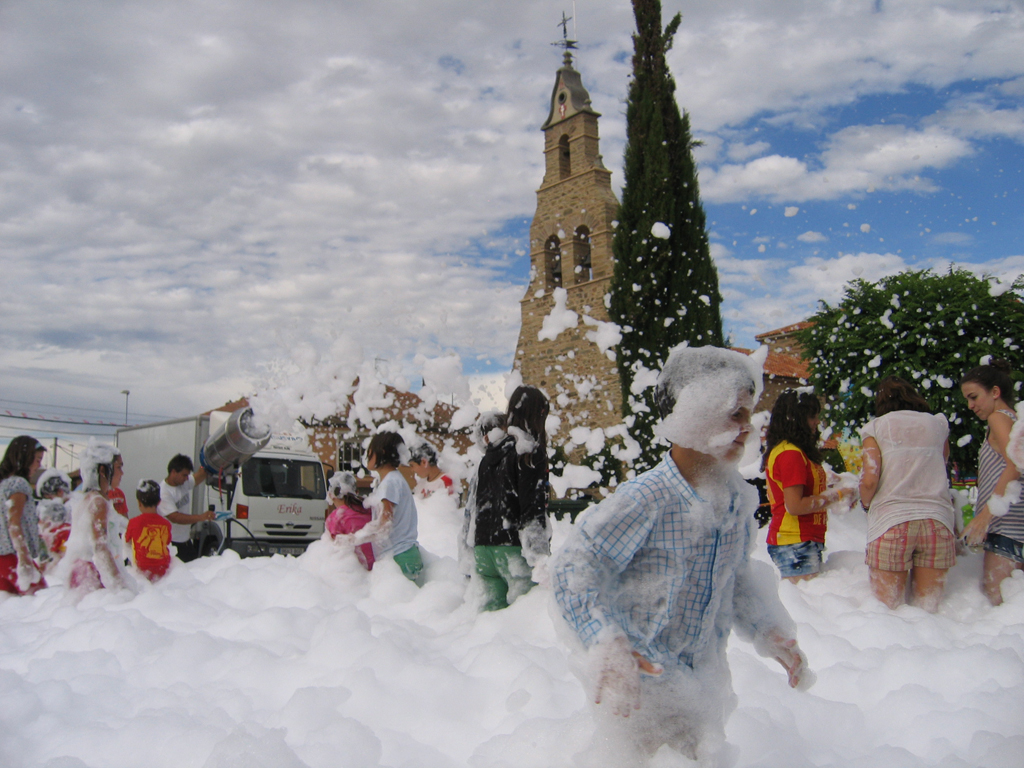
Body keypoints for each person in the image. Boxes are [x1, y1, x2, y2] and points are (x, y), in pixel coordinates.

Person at [552, 346, 812, 764]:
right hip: (640, 682)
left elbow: (733, 577)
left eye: (749, 415)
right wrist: (604, 641)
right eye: (736, 414)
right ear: (694, 414)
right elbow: (573, 568)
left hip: (700, 682)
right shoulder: (647, 498)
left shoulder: (734, 499)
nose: (748, 427)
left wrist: (767, 629)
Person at [858, 377, 957, 611]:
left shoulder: (876, 427)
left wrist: (865, 504)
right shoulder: (938, 425)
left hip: (891, 521)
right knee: (928, 610)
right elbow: (942, 463)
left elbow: (870, 479)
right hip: (938, 521)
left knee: (887, 611)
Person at [472, 386, 550, 611]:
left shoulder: (489, 456)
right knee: (524, 620)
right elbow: (532, 509)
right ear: (539, 414)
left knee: (488, 622)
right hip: (513, 550)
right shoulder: (528, 451)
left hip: (483, 548)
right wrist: (540, 559)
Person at [763, 390, 851, 582]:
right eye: (812, 416)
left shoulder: (793, 451)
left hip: (799, 542)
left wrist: (830, 483)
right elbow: (795, 506)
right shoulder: (791, 454)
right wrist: (837, 495)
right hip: (795, 543)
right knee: (802, 599)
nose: (817, 422)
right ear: (796, 419)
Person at [960, 360, 1024, 605]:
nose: (970, 405)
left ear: (995, 392)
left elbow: (1016, 463)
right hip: (1015, 527)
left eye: (974, 397)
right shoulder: (1014, 419)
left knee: (998, 608)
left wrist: (985, 516)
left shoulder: (998, 418)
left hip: (1005, 529)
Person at [61, 441, 130, 592]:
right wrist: (119, 585)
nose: (122, 473)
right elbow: (100, 547)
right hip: (91, 575)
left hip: (83, 572)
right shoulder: (98, 503)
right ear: (103, 470)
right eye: (119, 467)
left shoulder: (90, 499)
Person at [359, 431, 423, 585]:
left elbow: (385, 523)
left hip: (399, 557)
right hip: (405, 554)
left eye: (370, 450)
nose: (367, 455)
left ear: (382, 452)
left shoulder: (390, 483)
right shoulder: (394, 480)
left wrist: (356, 539)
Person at [0, 436, 47, 594]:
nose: (39, 465)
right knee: (39, 598)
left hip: (2, 559)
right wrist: (24, 557)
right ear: (25, 458)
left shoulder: (3, 485)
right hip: (13, 557)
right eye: (37, 459)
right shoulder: (19, 484)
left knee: (10, 603)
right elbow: (14, 522)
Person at [158, 454, 214, 563]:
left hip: (186, 541)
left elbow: (200, 475)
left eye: (188, 475)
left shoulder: (183, 482)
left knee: (194, 570)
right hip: (171, 544)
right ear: (173, 472)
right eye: (184, 475)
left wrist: (209, 459)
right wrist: (201, 517)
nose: (186, 478)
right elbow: (175, 517)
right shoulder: (164, 493)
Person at [325, 471, 375, 570]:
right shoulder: (370, 510)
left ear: (331, 495)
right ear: (356, 492)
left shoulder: (336, 517)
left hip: (352, 569)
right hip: (376, 566)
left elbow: (333, 549)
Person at [125, 479, 173, 582]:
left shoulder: (133, 523)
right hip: (163, 570)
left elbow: (127, 542)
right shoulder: (166, 524)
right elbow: (167, 542)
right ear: (159, 502)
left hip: (141, 571)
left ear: (139, 503)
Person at [36, 468, 73, 566]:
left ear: (60, 492)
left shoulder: (68, 508)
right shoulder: (75, 503)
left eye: (49, 498)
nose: (48, 502)